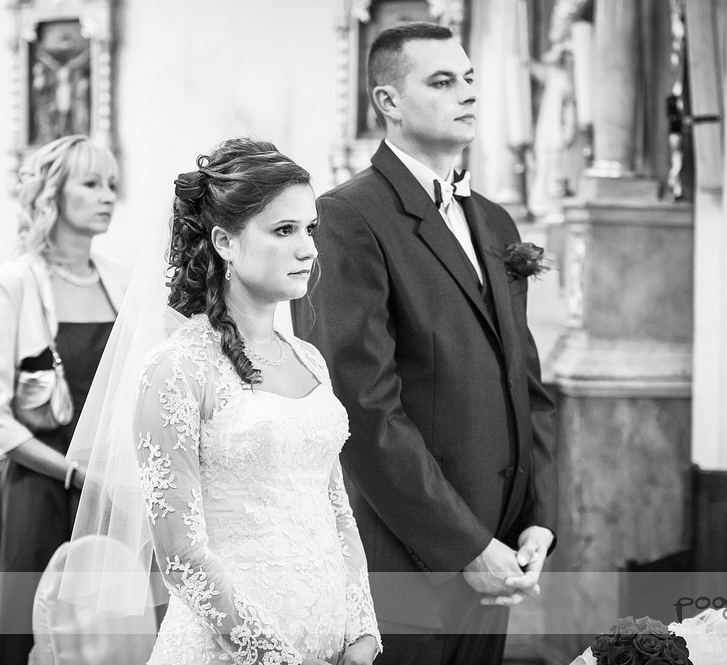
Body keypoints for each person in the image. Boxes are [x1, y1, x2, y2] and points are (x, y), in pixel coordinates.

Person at [291, 22, 558, 665]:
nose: (467, 93)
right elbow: (363, 407)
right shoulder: (348, 217)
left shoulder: (494, 220)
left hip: (503, 549)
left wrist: (538, 517)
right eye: (442, 82)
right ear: (388, 101)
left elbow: (526, 381)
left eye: (468, 78)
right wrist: (465, 546)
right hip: (407, 560)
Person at [66, 137, 380, 665]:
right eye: (284, 230)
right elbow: (181, 556)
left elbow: (336, 508)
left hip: (333, 645)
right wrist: (278, 659)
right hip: (229, 650)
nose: (308, 249)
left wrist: (362, 629)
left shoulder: (308, 359)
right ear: (225, 241)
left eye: (310, 229)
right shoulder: (176, 368)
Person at [0, 135, 128, 665]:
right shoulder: (14, 283)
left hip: (110, 496)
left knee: (109, 642)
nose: (107, 196)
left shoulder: (123, 282)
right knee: (28, 638)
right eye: (91, 183)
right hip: (42, 490)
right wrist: (74, 474)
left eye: (111, 184)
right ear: (52, 193)